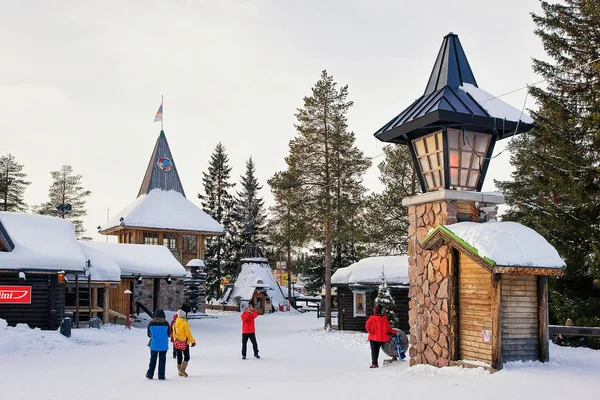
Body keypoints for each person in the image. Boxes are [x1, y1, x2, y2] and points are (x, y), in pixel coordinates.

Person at [365, 304, 397, 368]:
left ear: (374, 311)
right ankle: (375, 363)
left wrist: (371, 332)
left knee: (374, 350)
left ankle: (374, 364)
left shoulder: (371, 318)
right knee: (377, 350)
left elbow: (367, 326)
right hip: (381, 338)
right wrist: (396, 332)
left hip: (373, 338)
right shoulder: (384, 318)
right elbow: (388, 329)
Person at [146, 309, 170, 380]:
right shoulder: (166, 323)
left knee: (153, 359)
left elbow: (149, 334)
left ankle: (150, 374)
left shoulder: (151, 323)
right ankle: (161, 375)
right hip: (163, 344)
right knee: (162, 359)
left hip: (154, 344)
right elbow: (168, 334)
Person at [172, 309, 196, 377]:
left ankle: (179, 371)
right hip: (185, 343)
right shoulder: (184, 323)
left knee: (179, 356)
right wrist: (193, 341)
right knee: (187, 357)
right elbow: (188, 334)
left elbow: (174, 334)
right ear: (183, 316)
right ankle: (182, 370)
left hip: (177, 342)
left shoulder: (174, 324)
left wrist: (175, 341)